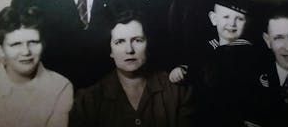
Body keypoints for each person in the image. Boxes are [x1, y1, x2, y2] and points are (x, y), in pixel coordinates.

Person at [68, 10, 196, 127]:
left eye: (137, 40)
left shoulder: (177, 91)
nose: (129, 50)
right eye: (120, 42)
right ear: (110, 50)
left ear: (148, 44)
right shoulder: (88, 101)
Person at [169, 0, 263, 126]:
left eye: (239, 18)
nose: (232, 24)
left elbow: (258, 94)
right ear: (214, 19)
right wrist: (182, 70)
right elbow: (196, 69)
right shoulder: (207, 48)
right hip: (204, 115)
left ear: (247, 22)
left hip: (235, 117)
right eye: (226, 17)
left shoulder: (250, 54)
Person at [0, 6, 73, 127]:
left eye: (33, 42)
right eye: (15, 44)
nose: (26, 52)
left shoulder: (60, 86)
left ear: (43, 44)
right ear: (0, 50)